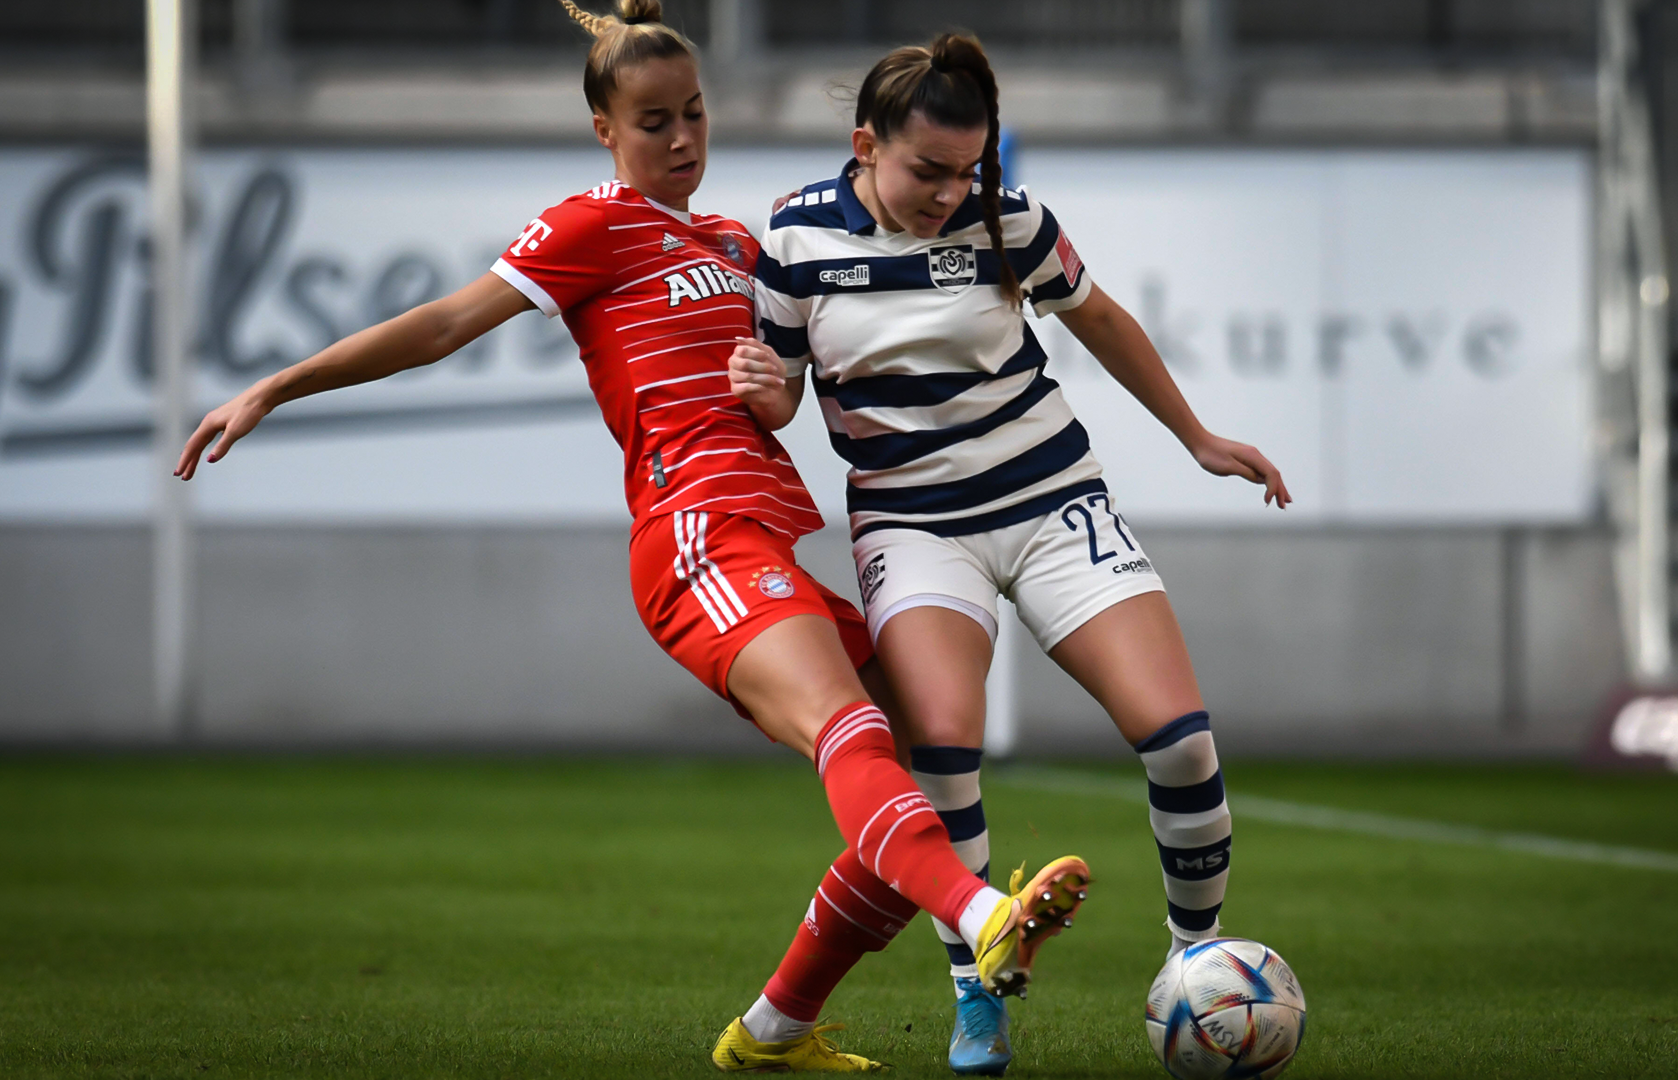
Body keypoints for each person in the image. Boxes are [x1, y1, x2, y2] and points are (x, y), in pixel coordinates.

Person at [172, 4, 1088, 1072]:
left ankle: (773, 1032)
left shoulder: (742, 244)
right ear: (605, 130)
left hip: (768, 533)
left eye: (695, 112)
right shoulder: (590, 226)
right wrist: (279, 386)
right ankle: (980, 919)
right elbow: (443, 324)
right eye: (653, 120)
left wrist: (781, 392)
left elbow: (797, 389)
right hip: (694, 534)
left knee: (922, 773)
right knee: (854, 733)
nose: (683, 138)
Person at [737, 32, 1293, 1078]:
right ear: (865, 143)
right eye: (928, 170)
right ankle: (977, 996)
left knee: (1176, 736)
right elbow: (780, 385)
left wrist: (1199, 438)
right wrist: (767, 397)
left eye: (971, 169)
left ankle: (1194, 965)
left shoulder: (1013, 219)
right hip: (911, 524)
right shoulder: (793, 236)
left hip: (1050, 500)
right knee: (943, 747)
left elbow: (1103, 318)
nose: (954, 191)